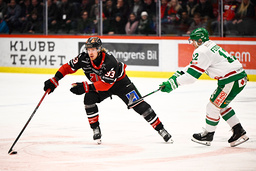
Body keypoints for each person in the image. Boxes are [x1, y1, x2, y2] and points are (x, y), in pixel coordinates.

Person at [43, 37, 172, 144]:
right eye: (88, 49)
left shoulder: (109, 61)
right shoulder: (84, 58)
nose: (90, 52)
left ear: (99, 49)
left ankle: (161, 129)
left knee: (140, 106)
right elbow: (67, 67)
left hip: (121, 84)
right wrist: (55, 79)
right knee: (89, 99)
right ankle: (95, 129)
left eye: (93, 49)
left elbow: (106, 85)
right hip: (100, 85)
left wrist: (86, 87)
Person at [159, 28, 249, 147]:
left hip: (231, 81)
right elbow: (193, 67)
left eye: (194, 41)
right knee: (220, 105)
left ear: (200, 41)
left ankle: (208, 135)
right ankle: (239, 131)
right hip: (235, 78)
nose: (192, 44)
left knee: (212, 107)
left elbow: (191, 77)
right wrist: (174, 77)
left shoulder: (201, 51)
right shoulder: (209, 46)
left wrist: (173, 84)